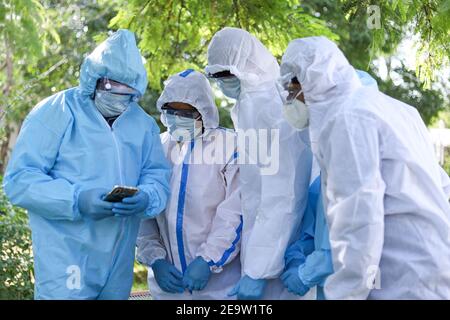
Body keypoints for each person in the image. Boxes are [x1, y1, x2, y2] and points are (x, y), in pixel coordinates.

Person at [3, 29, 171, 300]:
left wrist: (147, 196)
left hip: (118, 262)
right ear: (94, 79)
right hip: (68, 258)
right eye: (111, 87)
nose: (118, 97)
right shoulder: (55, 112)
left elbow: (156, 175)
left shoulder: (142, 124)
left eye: (127, 93)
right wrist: (76, 199)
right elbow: (19, 180)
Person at [279, 36, 450, 299]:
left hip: (402, 277)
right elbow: (442, 185)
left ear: (312, 80)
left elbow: (359, 220)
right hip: (429, 266)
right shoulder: (399, 110)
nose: (289, 100)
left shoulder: (348, 118)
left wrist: (345, 294)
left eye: (292, 91)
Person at [205, 27, 313, 300]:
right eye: (215, 76)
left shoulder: (267, 106)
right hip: (270, 249)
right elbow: (255, 188)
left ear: (244, 67)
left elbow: (283, 194)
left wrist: (258, 270)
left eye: (224, 75)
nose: (220, 82)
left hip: (279, 257)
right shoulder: (251, 103)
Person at [136, 69, 242, 299]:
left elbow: (235, 212)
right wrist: (155, 260)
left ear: (203, 110)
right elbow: (145, 214)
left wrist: (208, 260)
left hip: (220, 287)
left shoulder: (230, 147)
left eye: (186, 112)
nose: (177, 118)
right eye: (171, 111)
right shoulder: (158, 148)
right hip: (168, 288)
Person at [280, 70, 379, 300]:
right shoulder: (323, 176)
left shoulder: (374, 163)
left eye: (299, 94)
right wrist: (295, 260)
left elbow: (356, 237)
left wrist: (307, 273)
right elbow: (309, 236)